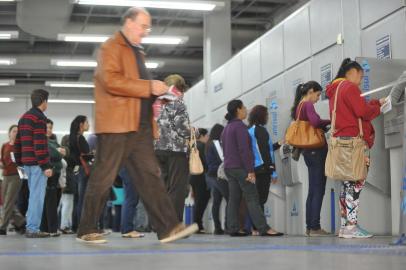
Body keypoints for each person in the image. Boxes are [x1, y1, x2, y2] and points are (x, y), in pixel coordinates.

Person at [76, 7, 198, 244]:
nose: (146, 32)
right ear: (129, 22)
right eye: (143, 26)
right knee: (104, 175)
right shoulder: (111, 47)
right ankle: (86, 228)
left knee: (151, 176)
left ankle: (169, 228)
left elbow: (135, 85)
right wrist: (148, 87)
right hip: (117, 124)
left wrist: (157, 92)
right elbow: (111, 81)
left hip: (139, 126)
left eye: (148, 27)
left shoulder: (136, 52)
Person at [326, 58, 385, 239]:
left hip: (341, 142)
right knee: (356, 183)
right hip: (353, 143)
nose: (360, 81)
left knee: (346, 184)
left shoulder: (335, 90)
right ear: (352, 72)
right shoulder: (349, 88)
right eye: (361, 76)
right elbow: (363, 112)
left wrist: (373, 103)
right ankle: (352, 227)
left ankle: (345, 227)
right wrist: (379, 106)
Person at [221, 100, 283, 237]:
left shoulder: (226, 128)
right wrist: (250, 170)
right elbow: (245, 151)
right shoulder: (240, 127)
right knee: (252, 198)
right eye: (244, 107)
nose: (246, 110)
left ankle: (233, 228)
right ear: (238, 110)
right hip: (240, 168)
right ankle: (264, 228)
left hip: (229, 168)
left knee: (234, 198)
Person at [290, 81, 331, 236]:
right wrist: (329, 121)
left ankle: (310, 226)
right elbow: (315, 122)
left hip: (308, 152)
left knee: (313, 190)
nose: (318, 98)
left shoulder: (299, 107)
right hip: (316, 151)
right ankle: (315, 227)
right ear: (311, 91)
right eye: (318, 94)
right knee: (318, 189)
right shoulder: (307, 104)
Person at [14, 89, 53, 238]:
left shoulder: (24, 118)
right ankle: (32, 229)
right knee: (37, 196)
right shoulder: (39, 118)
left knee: (33, 196)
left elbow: (17, 144)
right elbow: (40, 144)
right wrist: (46, 165)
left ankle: (31, 227)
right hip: (37, 164)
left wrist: (19, 162)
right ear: (43, 101)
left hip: (27, 164)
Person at [154, 74, 191, 222]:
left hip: (158, 150)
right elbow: (182, 129)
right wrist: (193, 132)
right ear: (180, 88)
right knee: (177, 189)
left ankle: (161, 224)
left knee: (163, 188)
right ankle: (174, 225)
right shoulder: (177, 102)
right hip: (176, 151)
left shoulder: (157, 102)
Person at [247, 105, 282, 235]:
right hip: (262, 169)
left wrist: (278, 144)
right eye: (266, 115)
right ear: (261, 116)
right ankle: (261, 228)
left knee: (257, 199)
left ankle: (255, 228)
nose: (267, 117)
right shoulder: (260, 130)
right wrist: (272, 170)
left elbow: (263, 149)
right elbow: (264, 153)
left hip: (256, 168)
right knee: (260, 200)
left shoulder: (251, 130)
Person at [40, 119, 66, 237]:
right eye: (47, 127)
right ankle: (52, 229)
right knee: (50, 202)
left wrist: (60, 151)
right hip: (49, 174)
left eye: (51, 127)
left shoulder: (53, 141)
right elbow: (56, 154)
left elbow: (65, 151)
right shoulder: (43, 141)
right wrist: (58, 152)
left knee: (50, 202)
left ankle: (46, 228)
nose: (49, 130)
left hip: (56, 175)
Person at [0, 125, 25, 235]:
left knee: (9, 201)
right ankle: (21, 222)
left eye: (17, 131)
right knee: (6, 202)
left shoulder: (21, 146)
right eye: (14, 131)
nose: (16, 133)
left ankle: (3, 227)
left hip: (17, 175)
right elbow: (2, 160)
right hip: (5, 175)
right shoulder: (4, 146)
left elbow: (23, 162)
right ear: (9, 133)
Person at [69, 115, 93, 228]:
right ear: (81, 125)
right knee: (83, 200)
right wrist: (94, 153)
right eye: (87, 122)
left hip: (75, 171)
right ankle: (82, 226)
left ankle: (75, 225)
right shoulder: (81, 138)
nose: (89, 124)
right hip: (83, 171)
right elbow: (86, 155)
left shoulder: (72, 137)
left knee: (77, 199)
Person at [205, 124, 229, 235]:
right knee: (230, 199)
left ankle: (217, 228)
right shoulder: (216, 144)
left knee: (216, 202)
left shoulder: (208, 144)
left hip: (211, 175)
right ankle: (228, 225)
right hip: (218, 175)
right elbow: (222, 159)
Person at [189, 128, 211, 233]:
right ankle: (197, 225)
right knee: (201, 200)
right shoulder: (201, 146)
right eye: (207, 136)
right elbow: (205, 162)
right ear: (202, 136)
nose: (208, 138)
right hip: (201, 176)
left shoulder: (192, 145)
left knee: (198, 200)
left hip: (193, 176)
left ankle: (197, 224)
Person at [119, 167, 144, 238]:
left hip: (125, 167)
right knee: (131, 198)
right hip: (129, 167)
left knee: (130, 198)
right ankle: (127, 229)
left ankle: (126, 228)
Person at [59, 135, 75, 234]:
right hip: (68, 182)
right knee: (67, 205)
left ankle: (64, 225)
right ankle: (64, 225)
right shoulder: (70, 154)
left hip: (62, 181)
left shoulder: (60, 153)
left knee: (61, 204)